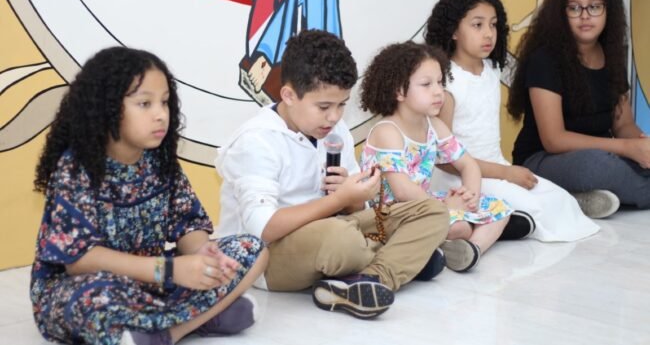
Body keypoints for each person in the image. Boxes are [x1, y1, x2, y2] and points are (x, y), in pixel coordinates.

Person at [30, 47, 268, 345]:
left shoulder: (160, 161)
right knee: (94, 298)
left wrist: (204, 254)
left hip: (153, 280)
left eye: (165, 102)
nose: (160, 114)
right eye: (144, 103)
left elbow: (188, 224)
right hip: (85, 285)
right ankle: (191, 322)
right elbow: (78, 260)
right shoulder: (76, 168)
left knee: (253, 249)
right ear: (106, 108)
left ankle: (165, 328)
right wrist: (168, 270)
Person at [216, 29, 449, 319]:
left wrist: (354, 199)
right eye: (324, 106)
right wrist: (338, 201)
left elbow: (359, 209)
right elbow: (263, 228)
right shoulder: (257, 140)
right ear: (288, 95)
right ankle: (401, 260)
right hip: (266, 255)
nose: (335, 117)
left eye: (342, 105)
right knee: (343, 239)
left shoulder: (336, 131)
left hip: (333, 228)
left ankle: (369, 280)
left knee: (433, 212)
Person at [425, 0, 599, 241]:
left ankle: (570, 200)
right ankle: (477, 221)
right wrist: (506, 174)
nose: (489, 33)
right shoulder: (448, 82)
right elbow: (444, 160)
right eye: (477, 25)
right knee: (532, 207)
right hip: (460, 178)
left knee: (558, 198)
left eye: (493, 25)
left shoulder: (491, 70)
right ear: (453, 31)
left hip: (496, 167)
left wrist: (506, 171)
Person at [359, 42, 512, 273]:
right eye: (426, 84)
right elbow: (402, 191)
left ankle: (471, 250)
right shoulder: (387, 131)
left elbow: (468, 165)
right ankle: (451, 243)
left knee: (502, 210)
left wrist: (469, 199)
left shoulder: (435, 126)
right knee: (459, 227)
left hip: (426, 205)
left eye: (440, 82)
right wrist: (445, 209)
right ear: (399, 91)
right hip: (391, 214)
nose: (438, 91)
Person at [507, 0, 650, 216]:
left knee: (613, 163)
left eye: (594, 7)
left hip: (605, 154)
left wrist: (641, 145)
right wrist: (626, 148)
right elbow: (554, 140)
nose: (585, 16)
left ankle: (579, 198)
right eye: (574, 8)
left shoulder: (612, 53)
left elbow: (623, 124)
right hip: (543, 160)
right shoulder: (545, 59)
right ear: (561, 14)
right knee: (594, 166)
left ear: (608, 11)